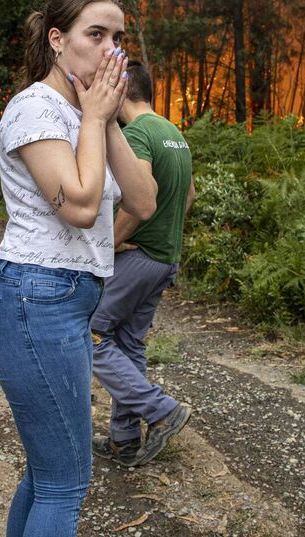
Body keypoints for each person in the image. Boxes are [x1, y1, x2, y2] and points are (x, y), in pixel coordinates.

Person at [0, 0, 157, 537]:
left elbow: (145, 200)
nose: (110, 50)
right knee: (66, 482)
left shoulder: (85, 113)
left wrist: (99, 117)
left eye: (119, 37)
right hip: (37, 297)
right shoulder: (34, 108)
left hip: (69, 301)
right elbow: (79, 205)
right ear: (57, 40)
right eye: (95, 34)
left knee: (47, 473)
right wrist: (95, 117)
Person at [90, 61, 196, 466]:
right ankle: (124, 440)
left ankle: (163, 411)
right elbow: (188, 198)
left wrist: (112, 241)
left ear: (121, 92)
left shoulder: (135, 133)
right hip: (166, 258)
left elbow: (141, 198)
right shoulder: (173, 133)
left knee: (91, 334)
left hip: (140, 258)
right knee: (129, 342)